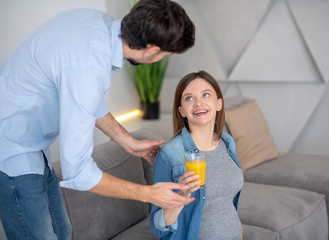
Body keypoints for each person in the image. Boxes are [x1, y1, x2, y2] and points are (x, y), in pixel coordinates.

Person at [0, 0, 195, 239]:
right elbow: (79, 172)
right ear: (152, 49)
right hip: (11, 150)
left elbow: (87, 96)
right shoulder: (87, 66)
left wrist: (128, 142)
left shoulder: (97, 24)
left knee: (62, 232)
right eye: (165, 55)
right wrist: (149, 194)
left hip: (32, 145)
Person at [150, 71, 244, 240]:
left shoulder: (227, 142)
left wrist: (236, 226)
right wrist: (181, 197)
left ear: (219, 104)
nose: (198, 103)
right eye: (189, 98)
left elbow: (224, 200)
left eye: (206, 95)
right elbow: (157, 226)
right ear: (182, 111)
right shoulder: (170, 154)